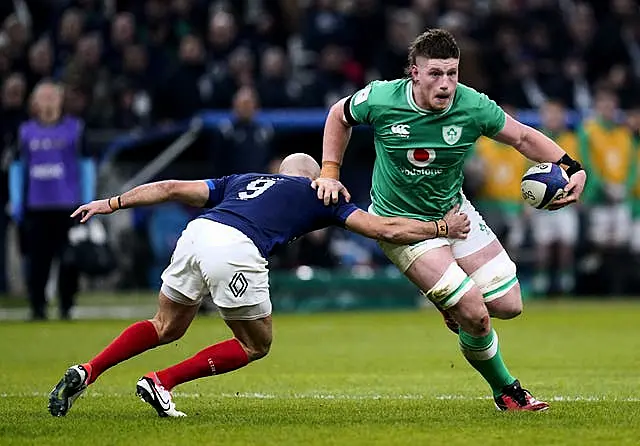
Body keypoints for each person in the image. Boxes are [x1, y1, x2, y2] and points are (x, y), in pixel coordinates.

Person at [48, 153, 470, 418]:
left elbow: (171, 188)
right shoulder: (320, 193)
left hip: (198, 232)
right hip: (236, 247)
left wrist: (111, 203)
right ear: (316, 176)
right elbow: (384, 229)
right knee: (256, 344)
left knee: (165, 325)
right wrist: (440, 226)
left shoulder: (242, 181)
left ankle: (88, 370)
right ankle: (162, 381)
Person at [313, 29, 587, 411]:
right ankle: (506, 391)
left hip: (453, 212)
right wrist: (329, 171)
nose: (445, 84)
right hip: (400, 223)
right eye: (435, 74)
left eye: (453, 73)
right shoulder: (381, 98)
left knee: (509, 305)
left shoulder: (472, 106)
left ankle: (451, 301)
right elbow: (337, 115)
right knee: (474, 313)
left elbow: (522, 137)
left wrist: (571, 166)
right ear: (414, 73)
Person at [9, 80, 96, 320]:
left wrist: (88, 199)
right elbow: (18, 167)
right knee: (37, 261)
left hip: (68, 206)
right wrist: (17, 201)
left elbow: (86, 165)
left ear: (60, 100)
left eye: (52, 97)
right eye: (42, 97)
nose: (47, 102)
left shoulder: (75, 129)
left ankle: (67, 305)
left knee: (70, 259)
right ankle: (37, 307)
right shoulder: (25, 131)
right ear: (34, 103)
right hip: (36, 206)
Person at [529, 100, 581, 296]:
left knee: (566, 245)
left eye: (556, 114)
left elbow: (581, 166)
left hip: (566, 198)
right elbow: (526, 170)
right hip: (541, 201)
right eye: (549, 114)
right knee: (542, 246)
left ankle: (565, 282)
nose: (553, 118)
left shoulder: (572, 139)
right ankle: (540, 282)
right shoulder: (535, 138)